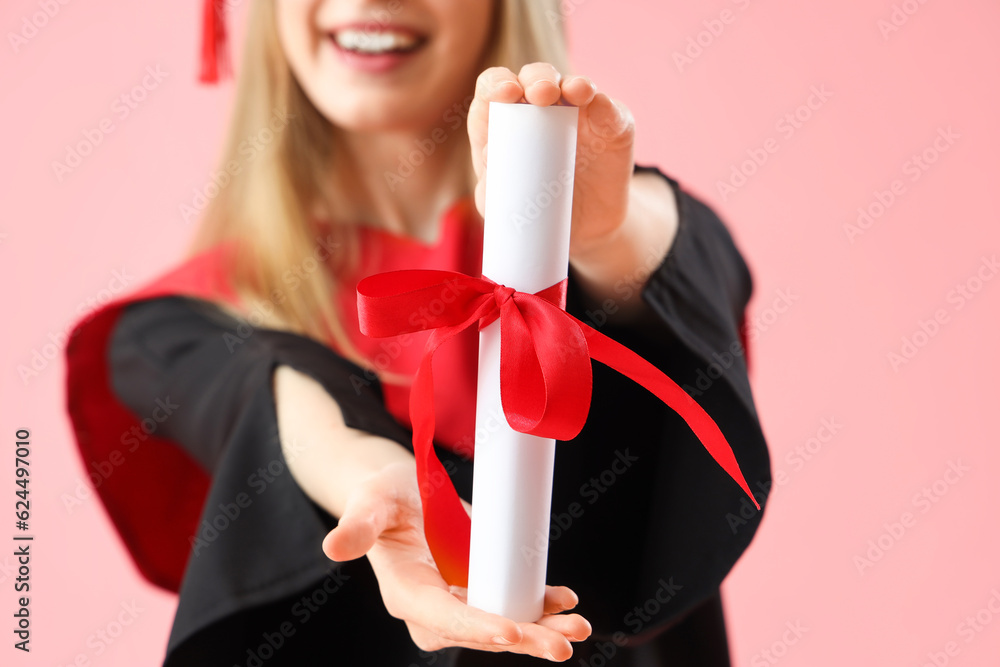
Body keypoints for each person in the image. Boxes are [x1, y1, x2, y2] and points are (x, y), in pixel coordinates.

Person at [65, 0, 772, 664]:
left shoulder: (617, 239)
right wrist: (376, 479)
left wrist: (600, 231)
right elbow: (267, 386)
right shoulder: (186, 319)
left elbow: (670, 257)